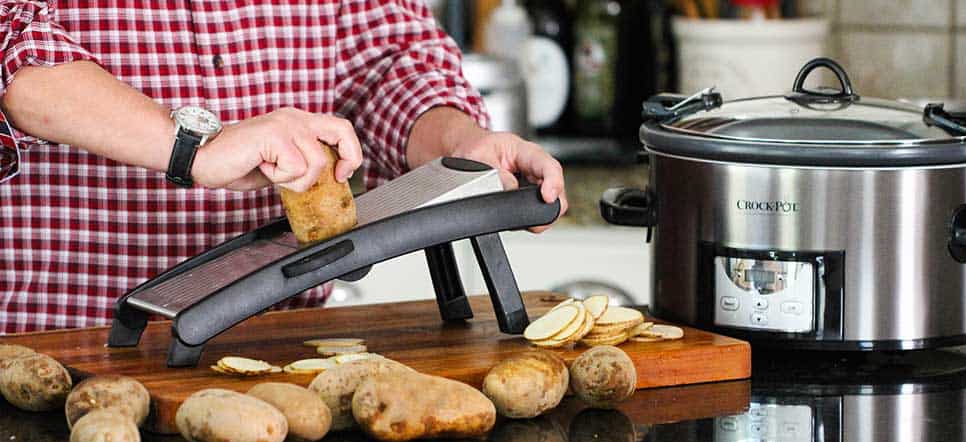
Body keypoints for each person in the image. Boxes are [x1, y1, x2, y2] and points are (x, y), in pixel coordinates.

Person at [0, 1, 567, 334]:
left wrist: (465, 144)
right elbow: (10, 39)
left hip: (280, 350)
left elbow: (393, 58)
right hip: (67, 344)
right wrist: (191, 147)